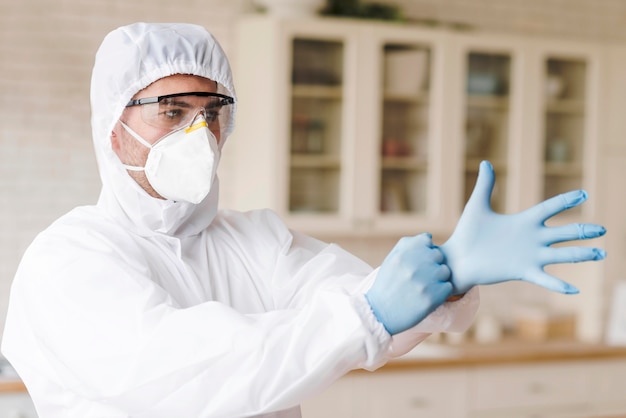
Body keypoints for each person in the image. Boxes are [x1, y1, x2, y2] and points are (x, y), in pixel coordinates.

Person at [1, 22, 606, 418]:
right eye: (172, 111)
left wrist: (449, 273)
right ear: (114, 127)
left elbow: (363, 304)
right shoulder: (70, 260)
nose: (199, 133)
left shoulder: (252, 239)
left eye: (211, 112)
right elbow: (188, 373)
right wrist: (364, 315)